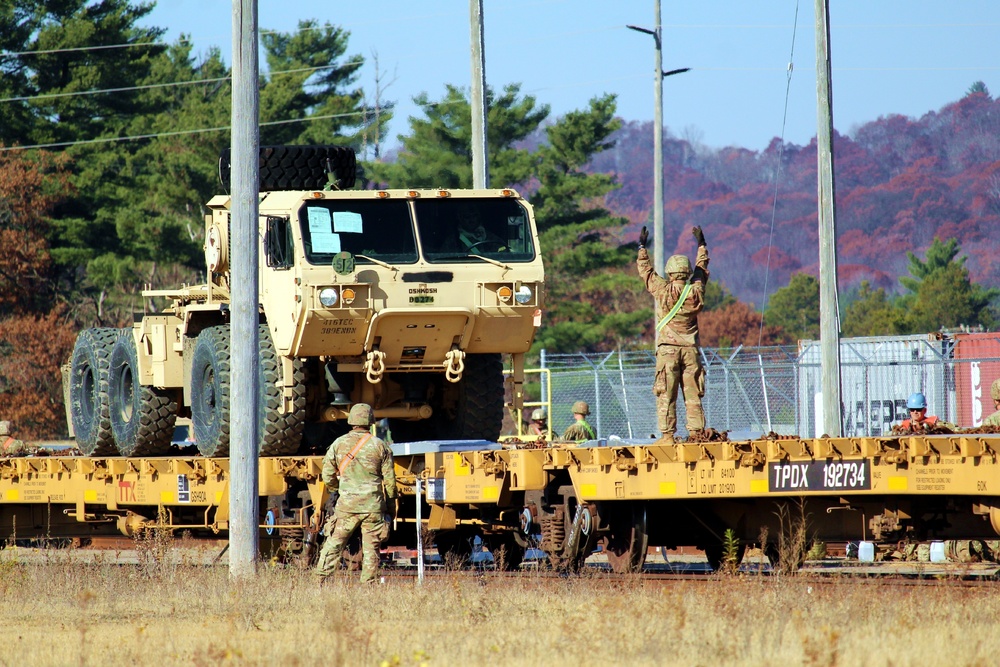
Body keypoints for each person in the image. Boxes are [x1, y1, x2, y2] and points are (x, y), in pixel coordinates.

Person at [637, 225, 710, 443]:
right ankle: (697, 433)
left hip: (668, 351)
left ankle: (668, 435)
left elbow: (646, 272)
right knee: (693, 394)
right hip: (690, 351)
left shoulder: (662, 290)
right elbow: (702, 269)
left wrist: (642, 247)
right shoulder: (696, 291)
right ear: (687, 272)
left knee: (666, 394)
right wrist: (701, 244)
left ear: (669, 272)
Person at [315, 403, 397, 584]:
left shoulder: (338, 444)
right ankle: (368, 585)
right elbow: (390, 483)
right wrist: (391, 508)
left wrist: (339, 489)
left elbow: (327, 475)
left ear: (351, 420)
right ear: (370, 421)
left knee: (334, 543)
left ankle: (320, 580)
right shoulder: (380, 446)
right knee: (371, 549)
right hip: (373, 506)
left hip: (347, 506)